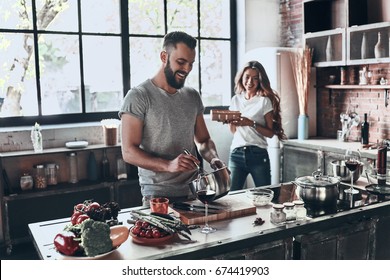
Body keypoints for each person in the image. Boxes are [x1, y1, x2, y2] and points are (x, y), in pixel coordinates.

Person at [119, 31, 225, 205]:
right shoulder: (138, 96)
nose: (187, 69)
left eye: (191, 64)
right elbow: (129, 152)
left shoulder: (192, 96)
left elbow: (204, 140)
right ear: (163, 56)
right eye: (181, 62)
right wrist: (169, 165)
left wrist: (214, 159)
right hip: (158, 197)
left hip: (195, 192)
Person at [226, 60, 287, 191]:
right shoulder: (235, 99)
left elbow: (270, 133)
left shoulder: (264, 101)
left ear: (260, 81)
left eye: (255, 79)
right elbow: (233, 131)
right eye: (247, 77)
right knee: (232, 196)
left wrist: (250, 123)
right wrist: (230, 122)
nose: (250, 82)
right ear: (242, 77)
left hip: (258, 154)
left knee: (265, 194)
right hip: (236, 153)